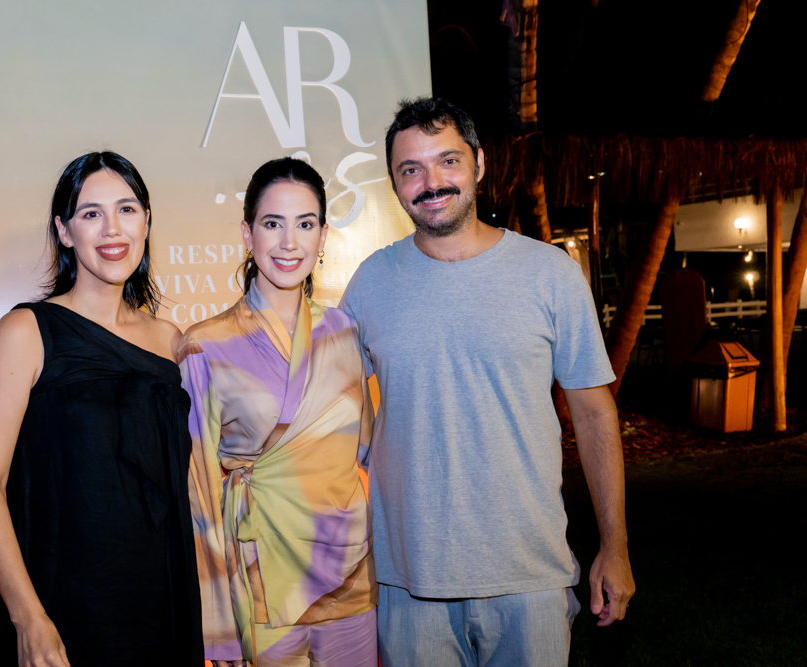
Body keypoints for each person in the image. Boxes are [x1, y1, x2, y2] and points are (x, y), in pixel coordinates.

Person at [339, 97, 636, 666]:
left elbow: (596, 415)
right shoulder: (372, 281)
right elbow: (328, 402)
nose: (431, 182)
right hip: (409, 580)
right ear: (395, 185)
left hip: (531, 577)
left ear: (478, 163)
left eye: (447, 161)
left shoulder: (550, 274)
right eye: (411, 170)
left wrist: (614, 547)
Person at [0, 152, 203, 666]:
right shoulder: (26, 333)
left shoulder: (171, 342)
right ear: (64, 231)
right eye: (91, 213)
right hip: (60, 609)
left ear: (146, 221)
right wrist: (28, 618)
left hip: (161, 605)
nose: (112, 229)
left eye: (127, 209)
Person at [180, 157, 377, 667]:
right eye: (273, 224)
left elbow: (371, 452)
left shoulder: (345, 332)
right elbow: (200, 496)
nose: (290, 243)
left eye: (305, 224)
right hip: (261, 579)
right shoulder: (206, 345)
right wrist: (218, 628)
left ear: (323, 235)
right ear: (247, 234)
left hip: (351, 574)